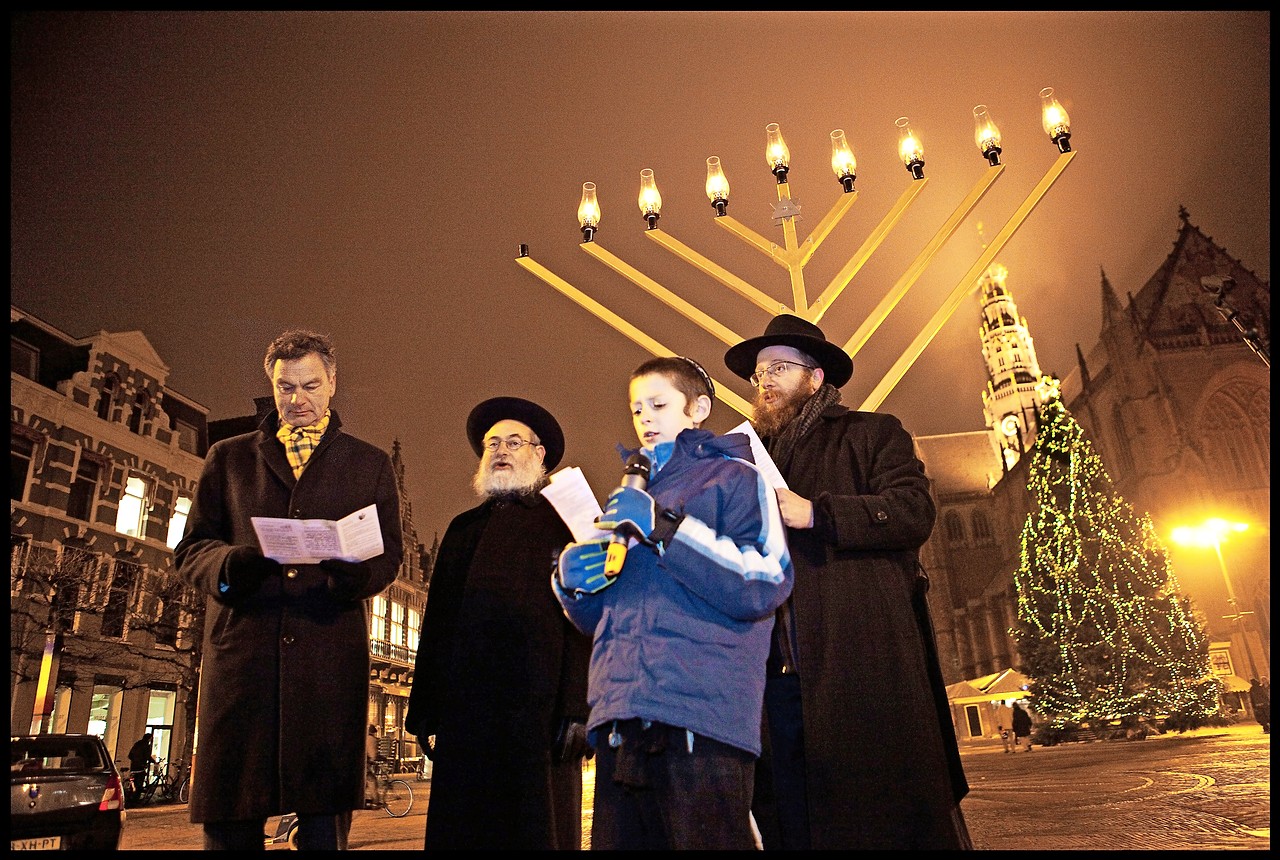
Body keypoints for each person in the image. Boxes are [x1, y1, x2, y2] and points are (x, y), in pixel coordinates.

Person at [723, 314, 972, 850]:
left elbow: (913, 511)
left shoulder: (871, 434)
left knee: (873, 815)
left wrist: (817, 513)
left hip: (858, 667)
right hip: (774, 675)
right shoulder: (745, 460)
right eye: (758, 373)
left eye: (779, 368)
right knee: (790, 817)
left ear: (816, 379)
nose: (764, 380)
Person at [174, 329, 402, 851]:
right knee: (232, 825)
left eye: (310, 385)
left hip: (326, 661)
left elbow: (388, 556)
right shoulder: (228, 458)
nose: (297, 399)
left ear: (333, 383)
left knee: (323, 826)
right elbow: (191, 550)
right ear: (271, 385)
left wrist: (357, 576)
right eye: (285, 387)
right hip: (244, 661)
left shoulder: (369, 464)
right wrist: (232, 563)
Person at [554, 356, 794, 850]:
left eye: (658, 404)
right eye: (635, 408)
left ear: (699, 408)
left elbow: (766, 579)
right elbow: (609, 615)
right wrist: (573, 587)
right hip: (622, 717)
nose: (644, 418)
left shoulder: (736, 478)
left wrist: (668, 529)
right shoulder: (626, 501)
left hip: (702, 718)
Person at [406, 396, 593, 850]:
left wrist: (580, 705)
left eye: (514, 442)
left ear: (540, 454)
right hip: (467, 715)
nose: (502, 451)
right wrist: (426, 709)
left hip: (539, 714)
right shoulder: (462, 528)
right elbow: (438, 624)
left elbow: (590, 617)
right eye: (492, 444)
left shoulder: (570, 524)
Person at [127, 732, 156, 798]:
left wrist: (134, 761)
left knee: (133, 780)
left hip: (134, 766)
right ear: (149, 739)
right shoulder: (146, 745)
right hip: (140, 766)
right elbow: (147, 756)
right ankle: (136, 796)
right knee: (139, 781)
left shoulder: (137, 744)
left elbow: (130, 755)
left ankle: (131, 793)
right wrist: (153, 761)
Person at [364, 725, 380, 808]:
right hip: (365, 766)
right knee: (372, 780)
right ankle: (375, 801)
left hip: (363, 765)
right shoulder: (371, 739)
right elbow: (373, 754)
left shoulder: (365, 738)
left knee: (366, 782)